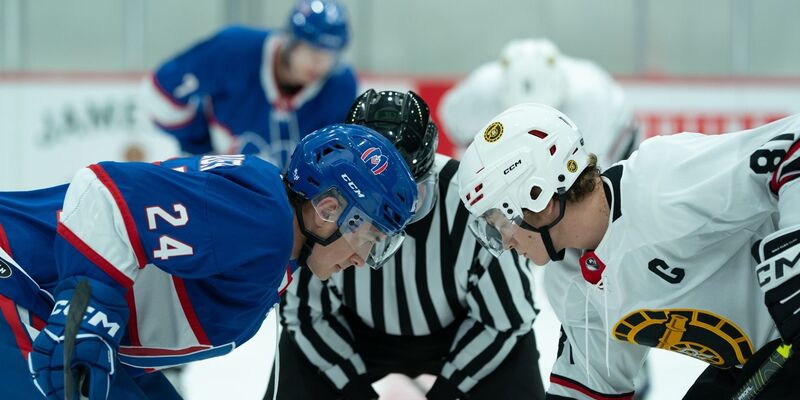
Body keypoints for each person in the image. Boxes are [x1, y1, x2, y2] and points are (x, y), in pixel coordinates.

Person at [0, 123, 417, 399]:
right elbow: (105, 196)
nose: (363, 258)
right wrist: (86, 313)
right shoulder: (262, 220)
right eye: (368, 237)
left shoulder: (275, 248)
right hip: (16, 281)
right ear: (328, 209)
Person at [456, 103, 800, 399]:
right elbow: (592, 387)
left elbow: (793, 145)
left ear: (538, 197)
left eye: (500, 220)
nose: (505, 240)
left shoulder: (663, 183)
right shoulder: (569, 279)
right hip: (760, 361)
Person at [267, 90, 544, 400]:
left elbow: (506, 318)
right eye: (376, 203)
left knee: (516, 356)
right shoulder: (324, 206)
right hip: (354, 333)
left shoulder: (470, 198)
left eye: (414, 197)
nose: (396, 220)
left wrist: (446, 392)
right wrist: (353, 390)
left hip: (462, 333)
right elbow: (306, 314)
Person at [141, 0, 357, 169]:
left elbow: (335, 160)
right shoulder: (234, 49)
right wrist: (200, 146)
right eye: (311, 50)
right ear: (290, 40)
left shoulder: (340, 86)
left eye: (330, 55)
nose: (320, 64)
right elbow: (163, 91)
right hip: (221, 188)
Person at [439, 38, 639, 167]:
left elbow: (592, 172)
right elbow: (456, 129)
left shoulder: (593, 99)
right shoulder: (478, 94)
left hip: (620, 136)